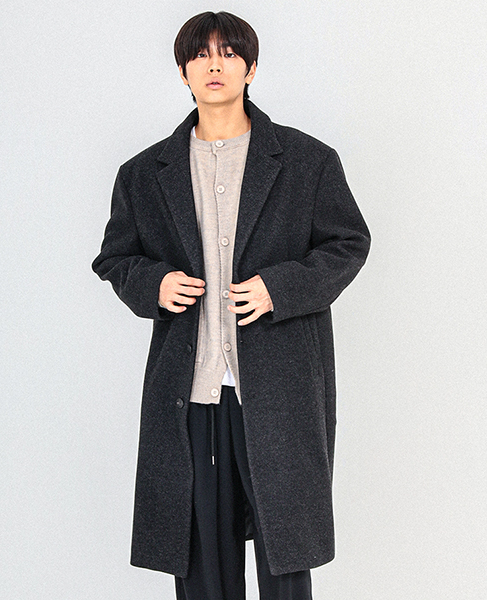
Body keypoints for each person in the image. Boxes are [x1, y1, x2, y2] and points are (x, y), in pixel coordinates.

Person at [92, 10, 370, 600]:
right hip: (190, 389)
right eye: (200, 54)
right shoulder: (143, 173)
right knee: (198, 555)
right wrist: (153, 283)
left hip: (279, 385)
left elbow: (349, 244)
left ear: (251, 67)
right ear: (183, 72)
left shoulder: (307, 161)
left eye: (228, 53)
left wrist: (281, 287)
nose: (214, 65)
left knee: (283, 551)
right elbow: (115, 258)